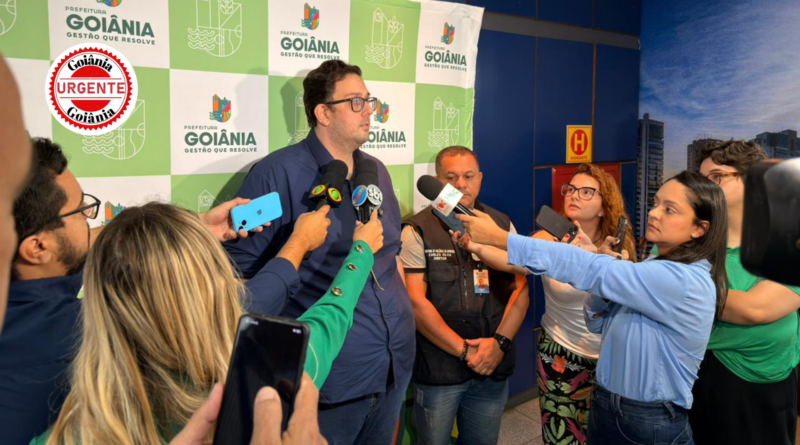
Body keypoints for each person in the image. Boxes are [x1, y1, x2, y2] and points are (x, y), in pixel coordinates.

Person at [0, 137, 340, 445]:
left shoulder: (28, 287)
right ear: (37, 247)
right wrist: (298, 245)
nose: (92, 220)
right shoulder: (70, 329)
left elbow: (85, 242)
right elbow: (230, 313)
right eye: (81, 212)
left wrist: (191, 227)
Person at [34, 201, 384, 445]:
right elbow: (331, 318)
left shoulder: (66, 432)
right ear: (214, 284)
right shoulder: (273, 377)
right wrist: (361, 251)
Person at [457, 171, 729, 445]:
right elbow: (597, 320)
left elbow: (590, 272)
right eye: (655, 203)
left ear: (699, 229)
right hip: (609, 405)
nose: (654, 213)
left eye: (669, 209)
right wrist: (606, 271)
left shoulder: (682, 279)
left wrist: (502, 238)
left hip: (647, 419)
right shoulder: (654, 265)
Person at [225, 59, 414, 444]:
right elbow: (241, 281)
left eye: (369, 100)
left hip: (393, 365)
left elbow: (390, 256)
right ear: (323, 113)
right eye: (356, 102)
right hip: (326, 383)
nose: (369, 111)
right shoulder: (274, 174)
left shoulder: (376, 171)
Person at [399, 146, 529, 445]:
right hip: (440, 370)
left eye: (468, 176)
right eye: (451, 177)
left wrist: (499, 344)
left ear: (480, 178)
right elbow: (416, 303)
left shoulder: (501, 225)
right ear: (437, 181)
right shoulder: (417, 230)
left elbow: (521, 290)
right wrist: (465, 351)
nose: (460, 184)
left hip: (493, 363)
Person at [689, 140, 800, 445]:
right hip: (696, 378)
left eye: (716, 176)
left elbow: (756, 309)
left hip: (765, 387)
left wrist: (676, 290)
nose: (704, 187)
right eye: (701, 179)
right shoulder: (686, 237)